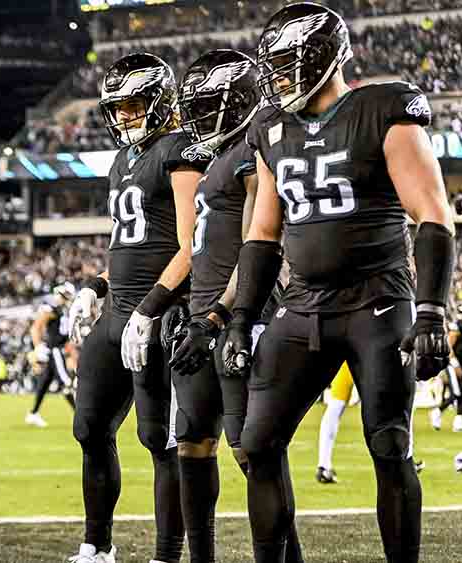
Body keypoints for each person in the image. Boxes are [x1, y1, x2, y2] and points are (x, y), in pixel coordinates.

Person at [220, 4, 455, 562]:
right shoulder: (272, 129)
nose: (275, 77)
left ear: (325, 58)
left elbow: (433, 215)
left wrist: (431, 311)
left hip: (377, 302)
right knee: (257, 444)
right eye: (270, 65)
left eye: (285, 63)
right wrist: (239, 318)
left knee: (389, 444)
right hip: (302, 306)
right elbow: (263, 233)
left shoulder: (382, 107)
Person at [66, 52, 210, 563]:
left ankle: (166, 554)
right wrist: (95, 287)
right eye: (117, 107)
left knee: (158, 438)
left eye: (131, 104)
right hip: (116, 316)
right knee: (89, 429)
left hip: (158, 316)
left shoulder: (181, 149)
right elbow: (129, 246)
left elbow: (194, 246)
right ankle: (97, 545)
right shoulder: (122, 161)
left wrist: (150, 309)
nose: (123, 116)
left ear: (158, 99)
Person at [168, 49, 303, 563]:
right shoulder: (216, 156)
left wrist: (220, 315)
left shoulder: (253, 152)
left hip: (238, 318)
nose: (199, 115)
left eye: (208, 104)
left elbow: (258, 242)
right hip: (201, 320)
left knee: (254, 452)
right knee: (192, 444)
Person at [25, 282, 76, 428]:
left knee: (45, 382)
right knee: (66, 382)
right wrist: (37, 346)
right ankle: (80, 415)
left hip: (59, 349)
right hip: (54, 350)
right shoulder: (52, 308)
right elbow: (36, 327)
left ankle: (33, 413)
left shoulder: (63, 309)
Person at [316, 362, 354, 484]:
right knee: (336, 407)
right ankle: (323, 465)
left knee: (335, 408)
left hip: (348, 359)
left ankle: (323, 465)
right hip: (357, 359)